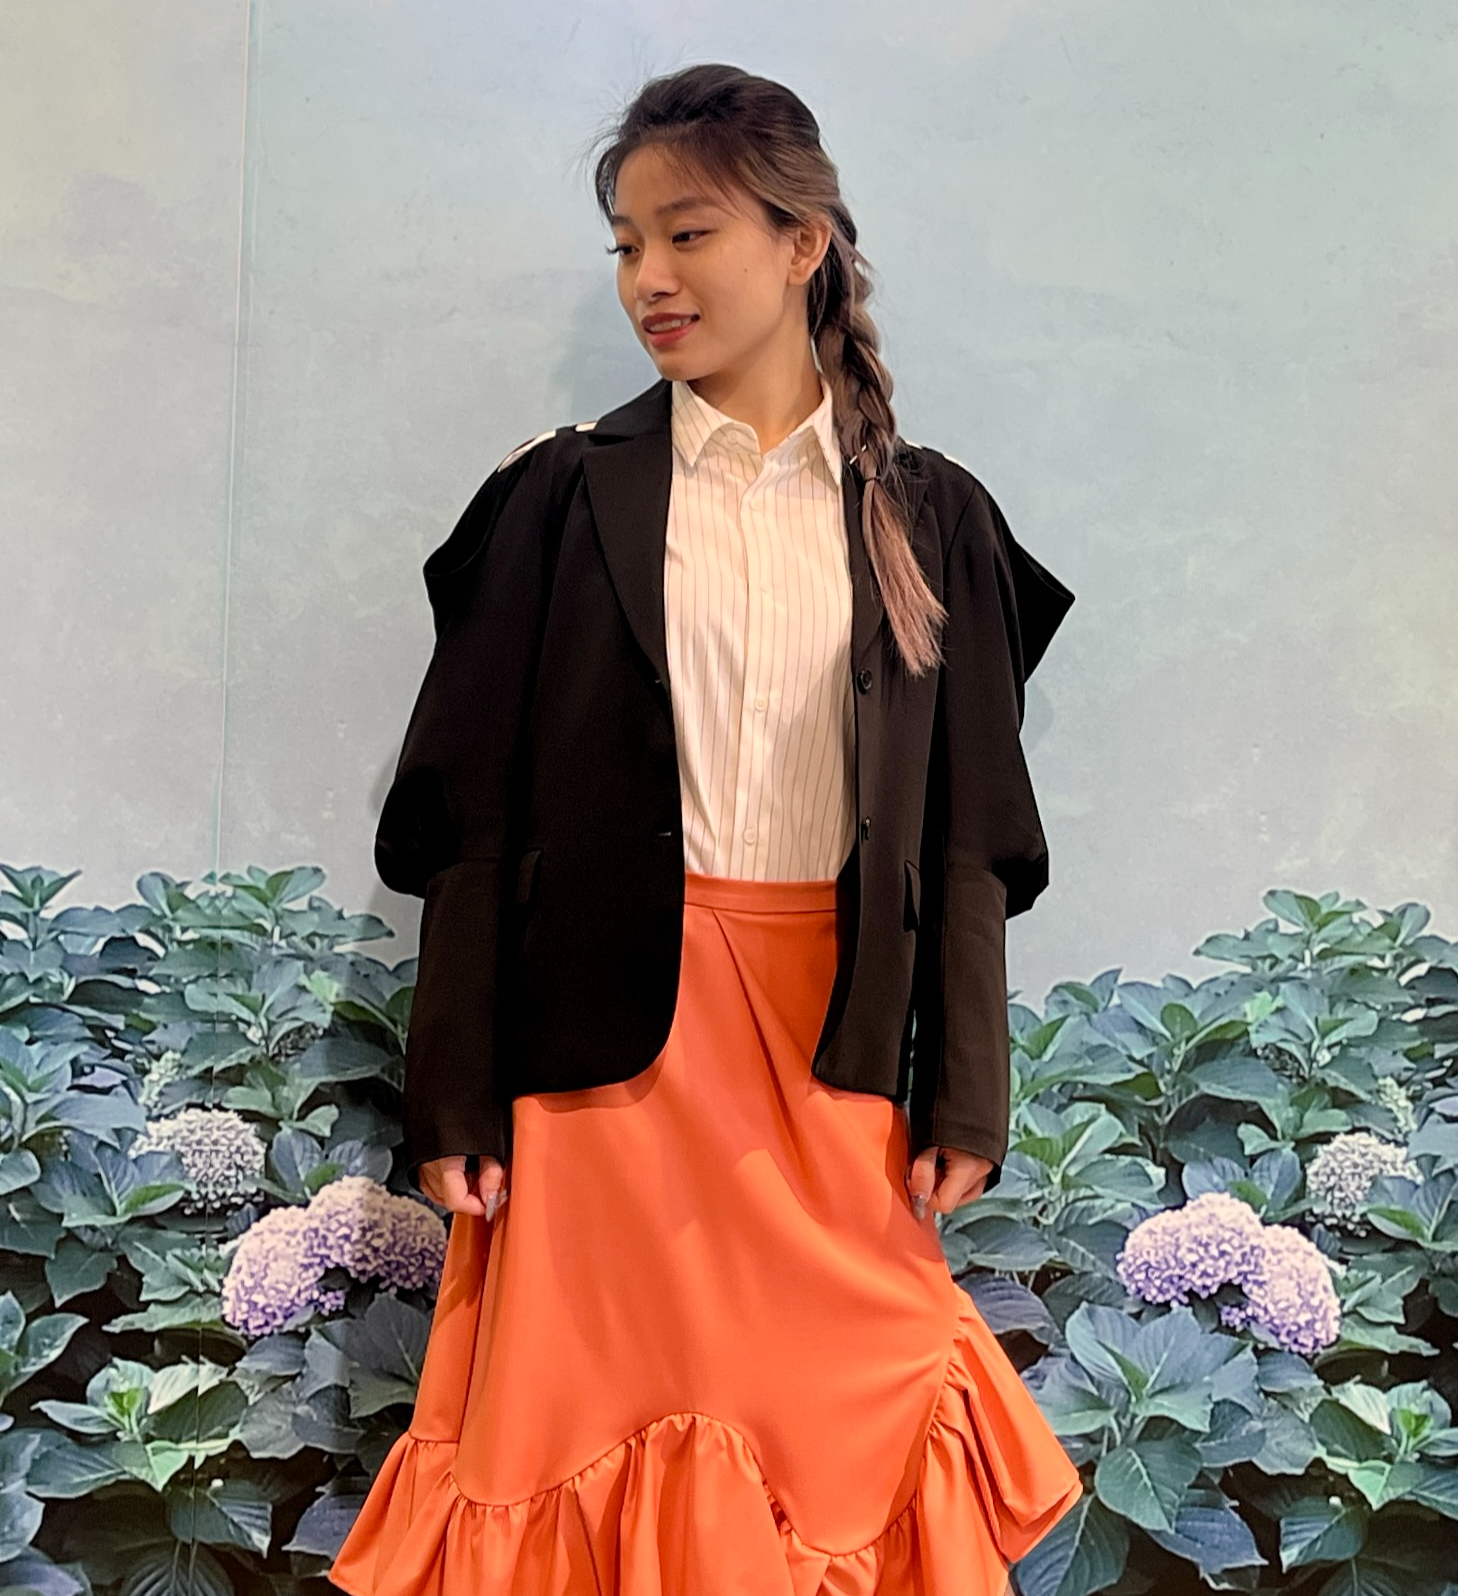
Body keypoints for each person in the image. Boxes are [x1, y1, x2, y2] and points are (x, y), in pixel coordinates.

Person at [330, 61, 1081, 1596]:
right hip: (601, 1059)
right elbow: (469, 822)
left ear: (804, 242)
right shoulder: (554, 499)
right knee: (579, 1433)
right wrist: (454, 1095)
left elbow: (974, 837)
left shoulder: (933, 515)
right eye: (625, 245)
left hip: (828, 1044)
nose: (649, 280)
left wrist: (968, 1092)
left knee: (844, 1439)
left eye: (687, 235)